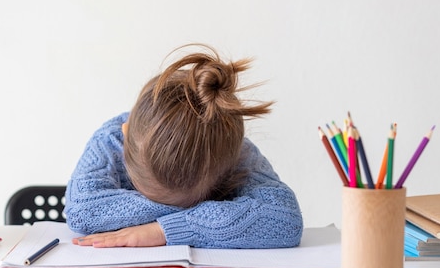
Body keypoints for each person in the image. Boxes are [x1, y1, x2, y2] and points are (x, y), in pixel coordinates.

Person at [64, 44, 303, 249]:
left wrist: (162, 231)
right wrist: (206, 215)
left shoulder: (235, 152)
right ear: (126, 137)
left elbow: (284, 219)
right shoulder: (113, 139)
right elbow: (82, 211)